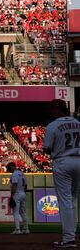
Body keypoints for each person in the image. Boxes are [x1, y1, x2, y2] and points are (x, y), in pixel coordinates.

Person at [43, 99, 80, 248]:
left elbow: (46, 148)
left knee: (65, 201)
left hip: (63, 161)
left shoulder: (53, 126)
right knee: (72, 200)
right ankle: (72, 234)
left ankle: (69, 239)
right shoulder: (78, 123)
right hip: (78, 160)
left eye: (52, 109)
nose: (50, 112)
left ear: (58, 110)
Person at [7, 162, 29, 235]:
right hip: (23, 193)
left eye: (9, 168)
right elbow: (26, 185)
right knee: (23, 212)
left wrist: (12, 195)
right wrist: (24, 193)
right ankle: (26, 229)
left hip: (16, 194)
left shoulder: (14, 174)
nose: (9, 170)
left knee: (15, 212)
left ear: (12, 166)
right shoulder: (22, 173)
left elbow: (14, 184)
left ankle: (17, 229)